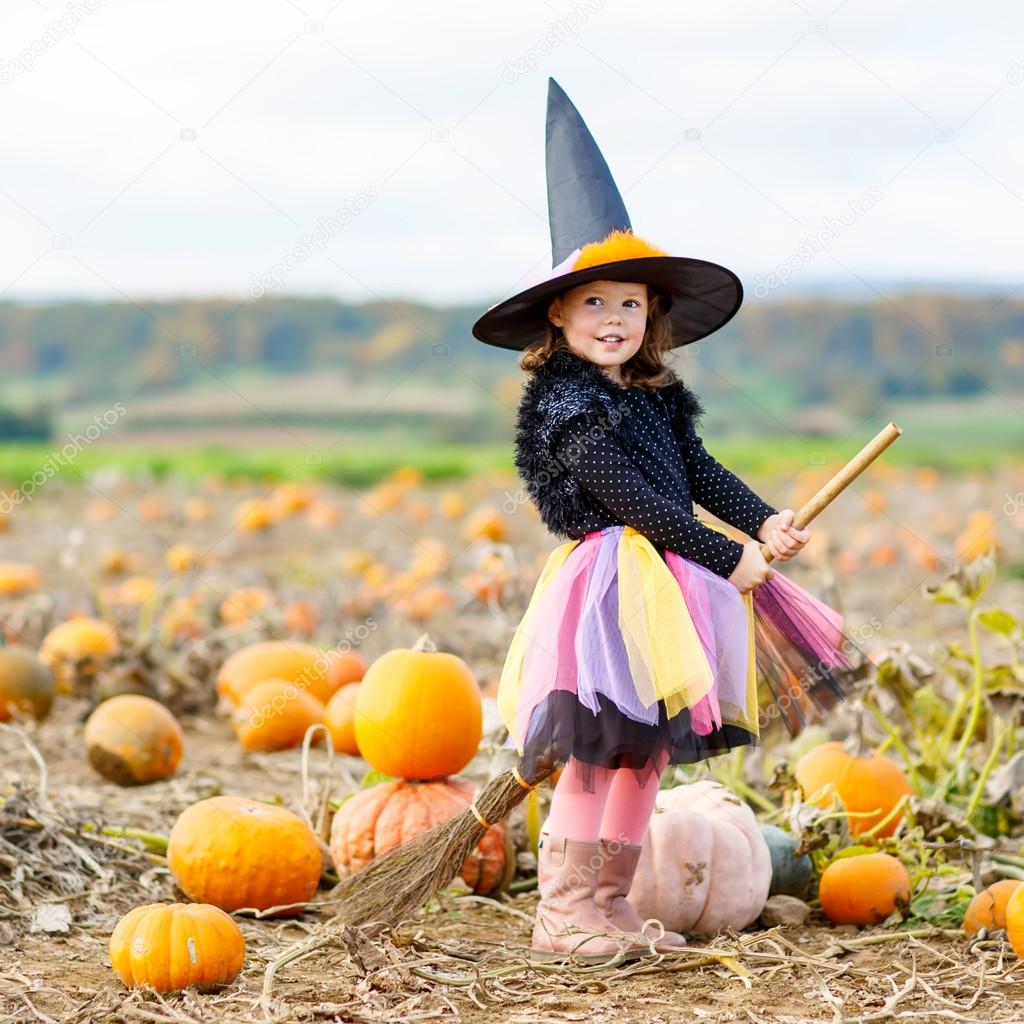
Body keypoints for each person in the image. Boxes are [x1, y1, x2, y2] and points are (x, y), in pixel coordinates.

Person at [472, 79, 857, 966]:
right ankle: (562, 909)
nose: (614, 319)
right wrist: (731, 560)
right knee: (600, 750)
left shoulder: (655, 395)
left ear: (652, 316)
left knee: (644, 753)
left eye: (631, 304)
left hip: (673, 584)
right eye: (595, 303)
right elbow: (636, 504)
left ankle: (609, 902)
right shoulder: (564, 406)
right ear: (558, 315)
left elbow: (695, 475)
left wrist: (764, 521)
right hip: (611, 589)